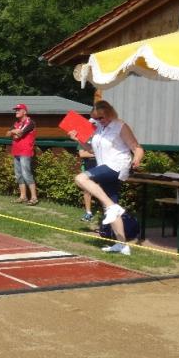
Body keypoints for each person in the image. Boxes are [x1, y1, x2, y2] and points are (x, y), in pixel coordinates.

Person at [69, 100, 144, 255]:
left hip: (117, 165)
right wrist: (77, 139)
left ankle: (112, 207)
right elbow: (91, 150)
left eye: (101, 117)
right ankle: (122, 245)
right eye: (95, 118)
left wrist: (137, 159)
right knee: (110, 207)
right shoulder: (98, 128)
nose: (98, 121)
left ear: (110, 113)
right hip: (104, 166)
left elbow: (137, 147)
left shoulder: (120, 126)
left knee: (81, 178)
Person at [6, 103, 38, 205]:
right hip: (16, 151)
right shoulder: (16, 123)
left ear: (25, 112)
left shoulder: (30, 122)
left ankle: (34, 198)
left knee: (26, 174)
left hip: (25, 151)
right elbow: (7, 134)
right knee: (18, 175)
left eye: (18, 110)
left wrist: (13, 132)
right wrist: (13, 131)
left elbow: (18, 135)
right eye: (16, 110)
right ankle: (23, 197)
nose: (16, 111)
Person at [78, 118, 98, 222]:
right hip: (89, 165)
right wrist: (97, 153)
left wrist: (92, 153)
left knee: (104, 189)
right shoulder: (83, 138)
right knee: (87, 189)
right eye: (90, 125)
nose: (92, 127)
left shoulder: (101, 138)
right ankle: (88, 213)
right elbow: (82, 154)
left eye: (94, 125)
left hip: (101, 165)